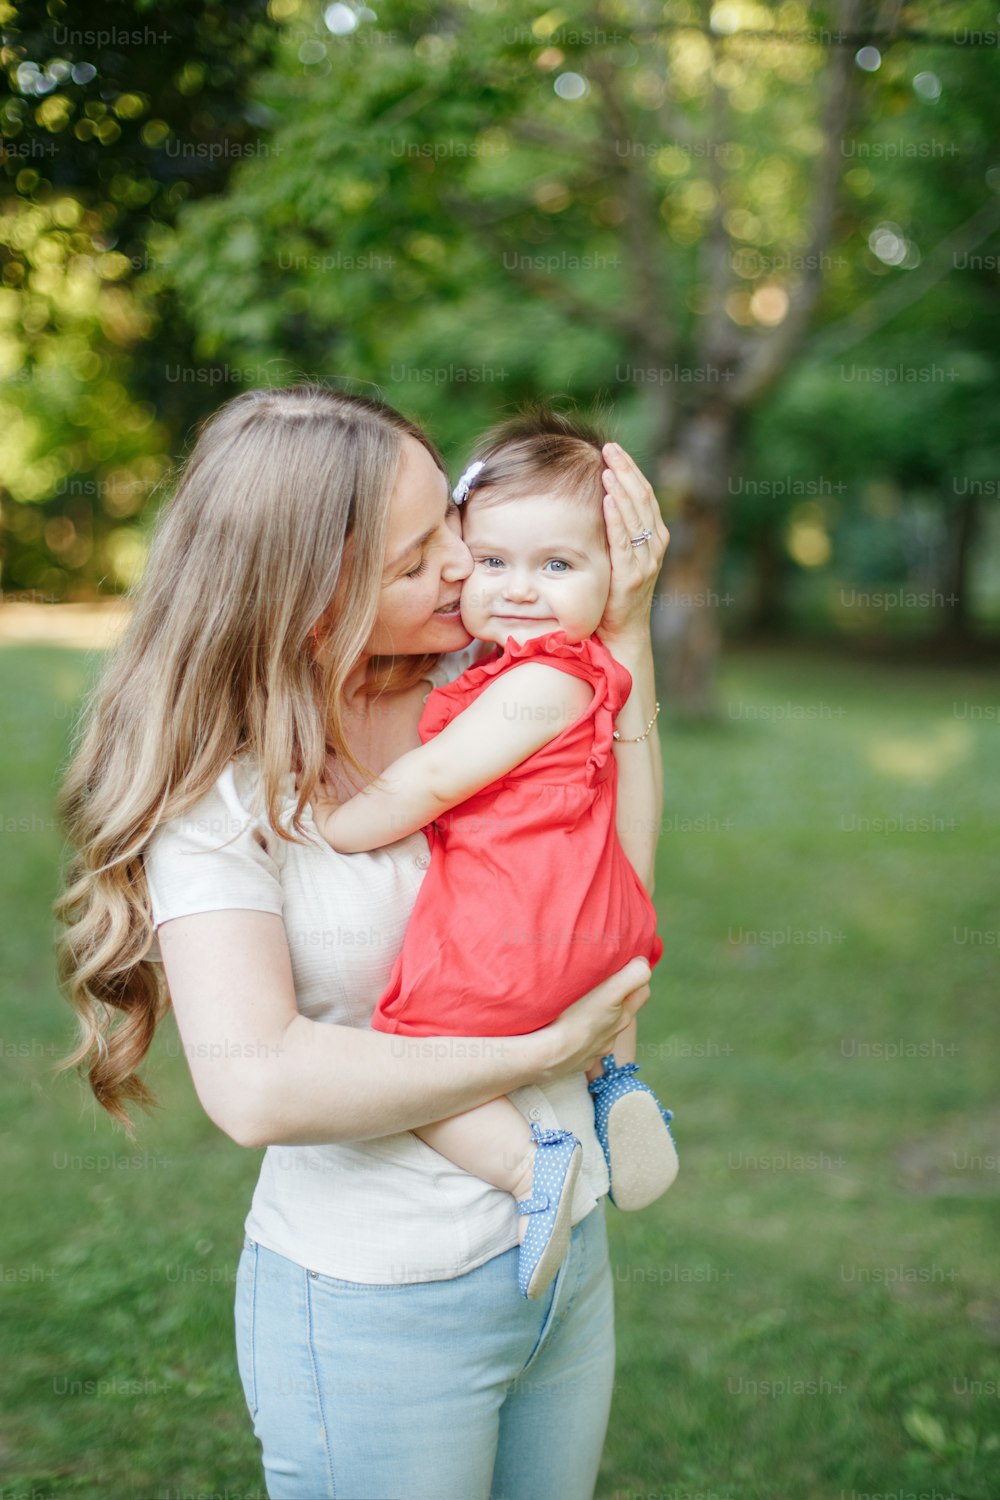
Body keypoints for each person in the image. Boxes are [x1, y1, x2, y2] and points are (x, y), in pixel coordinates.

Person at [54, 384, 669, 1500]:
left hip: (563, 1264)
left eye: (451, 516)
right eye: (413, 557)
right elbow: (258, 1087)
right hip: (380, 1305)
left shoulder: (486, 684)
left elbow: (611, 883)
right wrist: (542, 1051)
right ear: (305, 599)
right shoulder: (221, 798)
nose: (462, 562)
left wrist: (620, 633)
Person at [311, 410, 678, 1302]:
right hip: (601, 924)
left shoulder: (541, 680)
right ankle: (615, 1078)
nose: (517, 588)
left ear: (612, 580)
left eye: (557, 565)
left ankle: (530, 1165)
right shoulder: (564, 670)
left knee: (409, 1049)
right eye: (490, 562)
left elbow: (430, 783)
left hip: (516, 932)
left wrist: (338, 825)